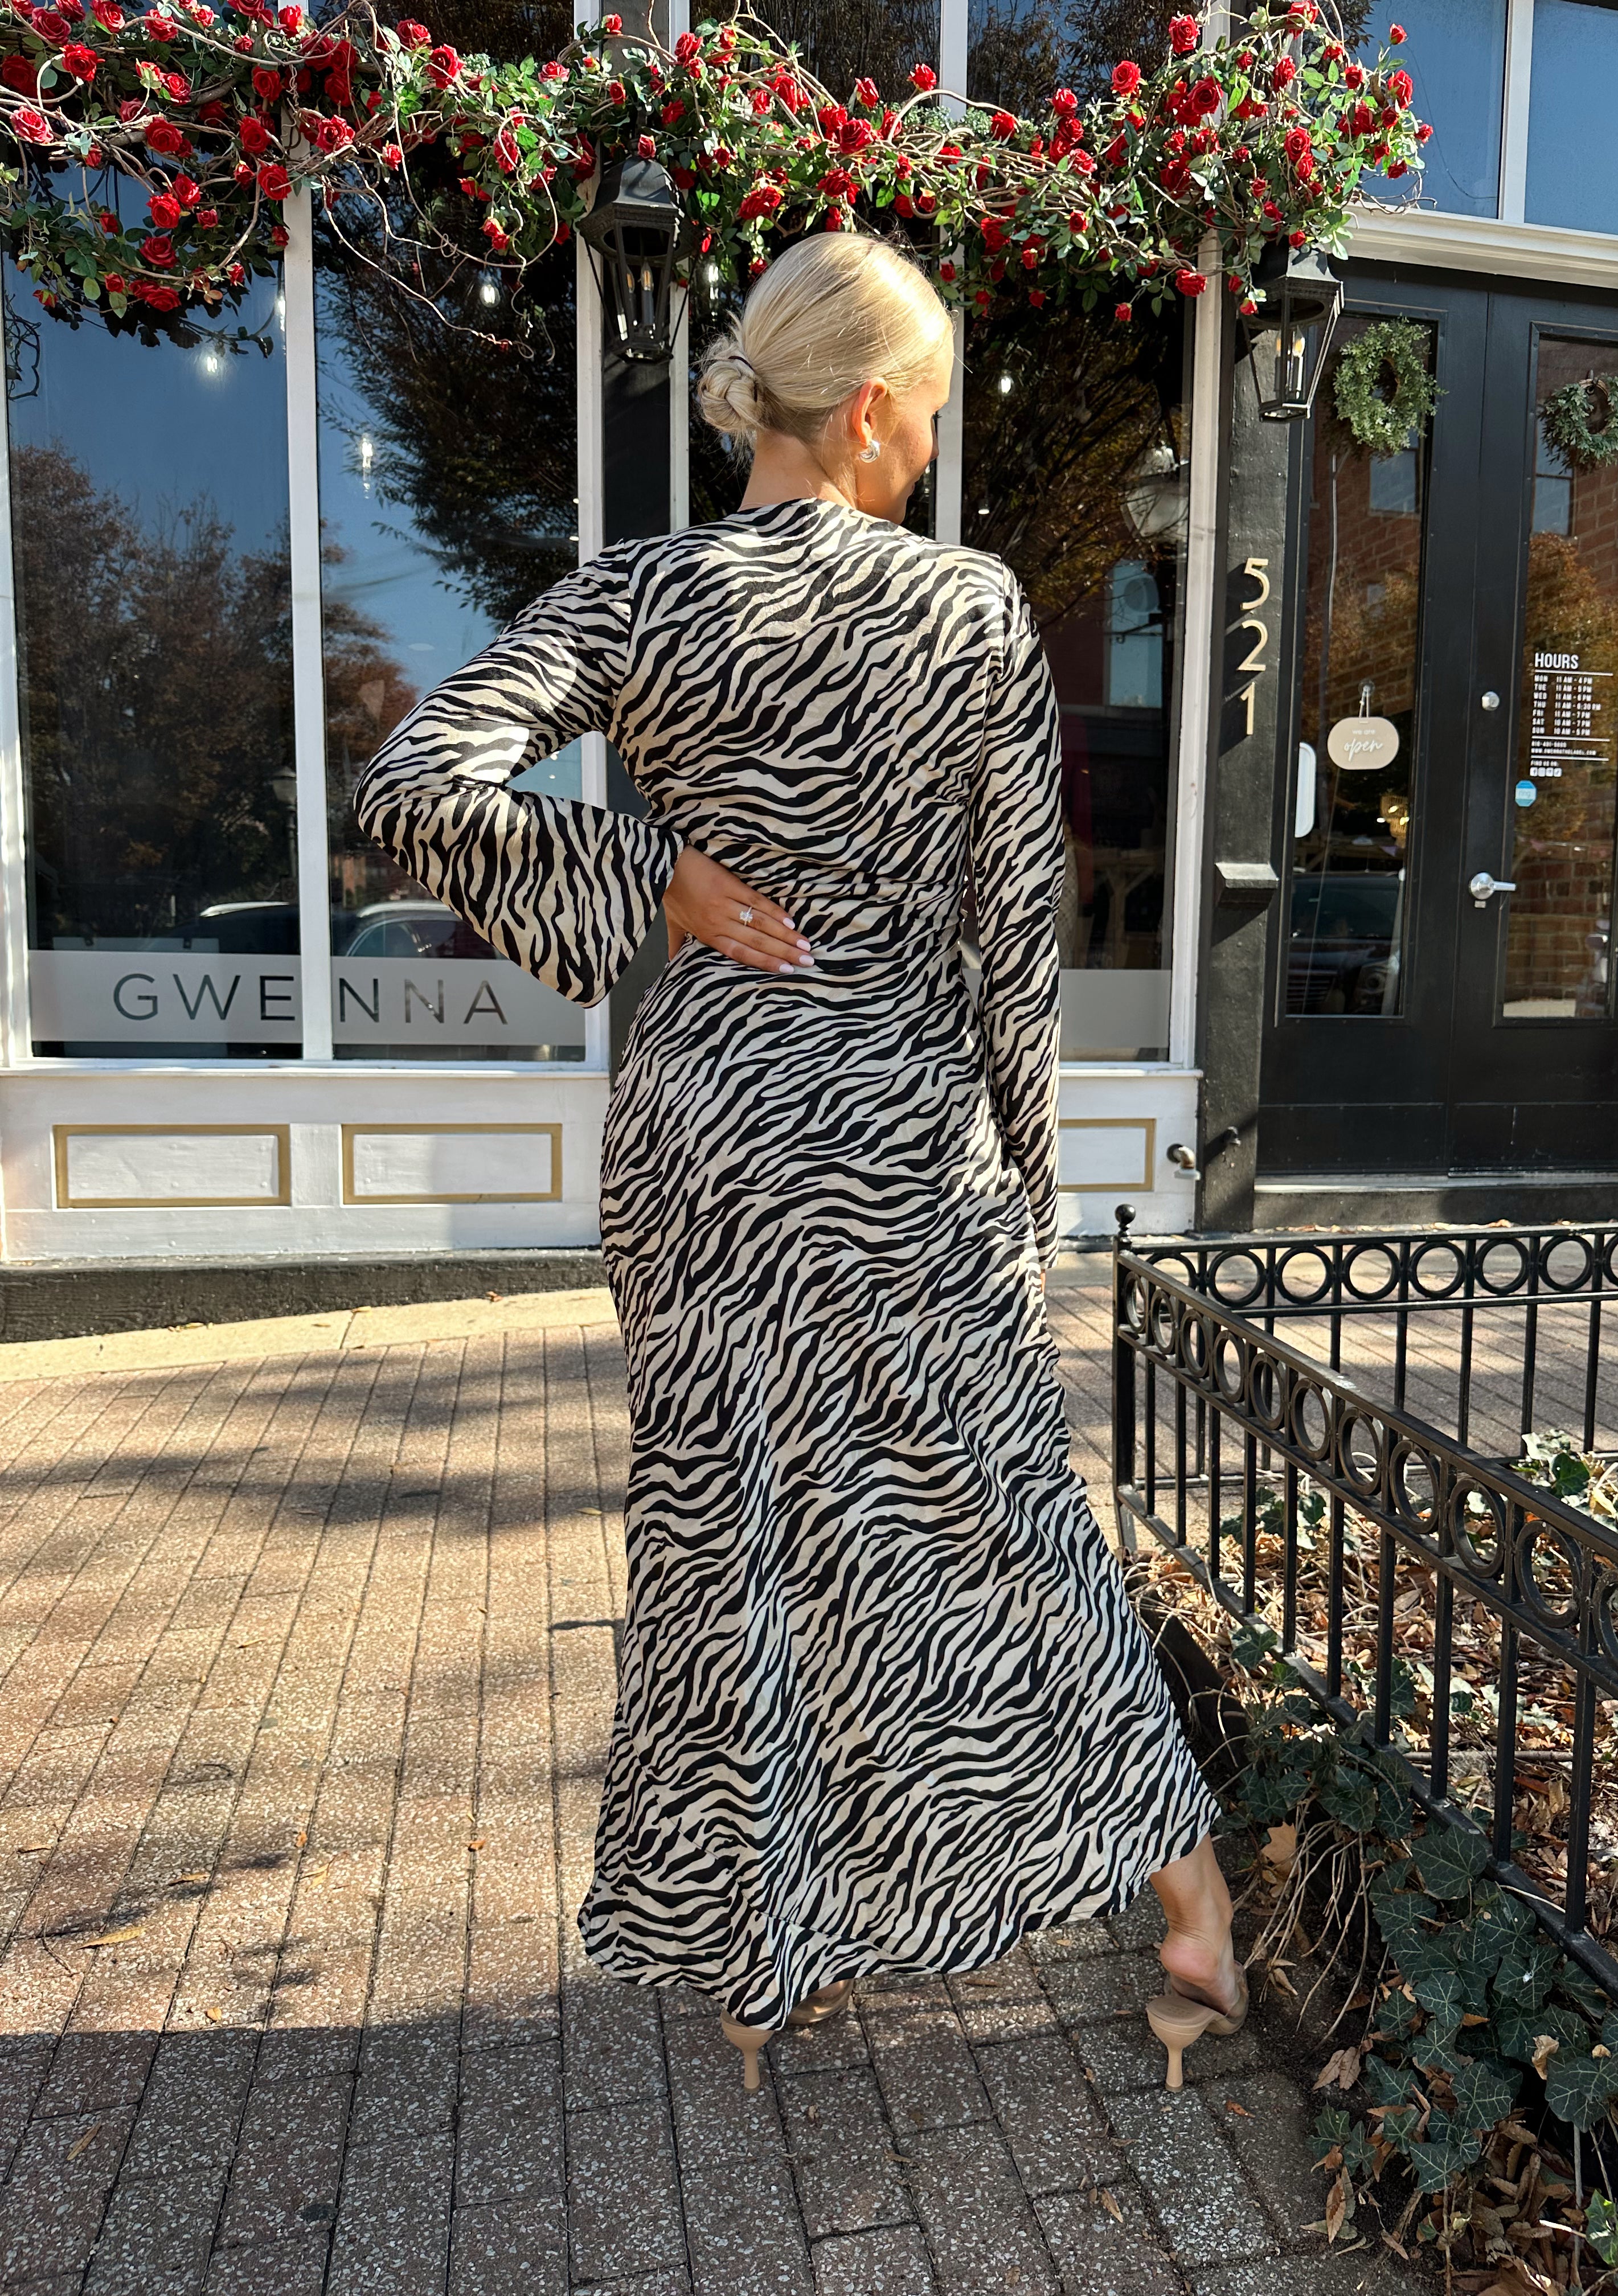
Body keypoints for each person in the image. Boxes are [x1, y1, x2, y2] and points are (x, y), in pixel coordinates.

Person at [354, 231, 1244, 2092]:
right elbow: (1014, 939)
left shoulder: (643, 593)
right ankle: (1193, 1917)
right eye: (926, 420)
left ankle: (774, 1965)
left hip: (708, 1142)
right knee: (1000, 1517)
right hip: (902, 1131)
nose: (929, 452)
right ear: (864, 410)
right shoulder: (968, 610)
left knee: (737, 1530)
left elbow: (413, 785)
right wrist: (1027, 1187)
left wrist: (649, 878)